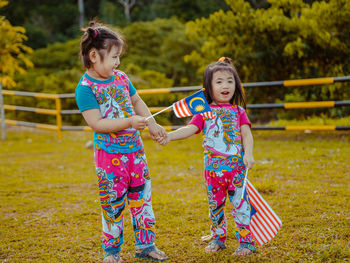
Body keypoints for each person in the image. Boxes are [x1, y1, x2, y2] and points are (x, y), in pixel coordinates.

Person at [75, 21, 168, 263]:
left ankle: (146, 246)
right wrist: (128, 122)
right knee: (113, 204)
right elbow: (96, 123)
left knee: (142, 199)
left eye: (119, 57)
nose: (118, 63)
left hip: (135, 153)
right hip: (109, 158)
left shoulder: (122, 78)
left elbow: (137, 101)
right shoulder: (85, 88)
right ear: (94, 56)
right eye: (114, 57)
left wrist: (151, 123)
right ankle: (112, 252)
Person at [159, 57, 256, 256]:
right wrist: (168, 136)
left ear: (236, 85)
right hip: (213, 171)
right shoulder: (204, 111)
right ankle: (218, 238)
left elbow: (247, 134)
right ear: (208, 87)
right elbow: (190, 129)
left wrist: (250, 155)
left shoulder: (238, 111)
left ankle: (246, 242)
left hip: (236, 170)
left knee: (240, 205)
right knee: (215, 206)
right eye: (219, 81)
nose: (225, 85)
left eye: (230, 81)